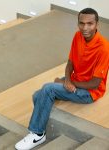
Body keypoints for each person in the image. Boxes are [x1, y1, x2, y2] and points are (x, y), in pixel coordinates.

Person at [15, 8, 109, 150]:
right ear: (78, 23)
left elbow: (95, 84)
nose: (85, 28)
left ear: (97, 24)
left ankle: (37, 134)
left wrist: (68, 82)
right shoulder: (77, 36)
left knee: (47, 89)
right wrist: (66, 81)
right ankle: (42, 118)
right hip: (74, 80)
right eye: (81, 23)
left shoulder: (104, 48)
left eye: (90, 23)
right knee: (37, 95)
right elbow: (70, 62)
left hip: (89, 92)